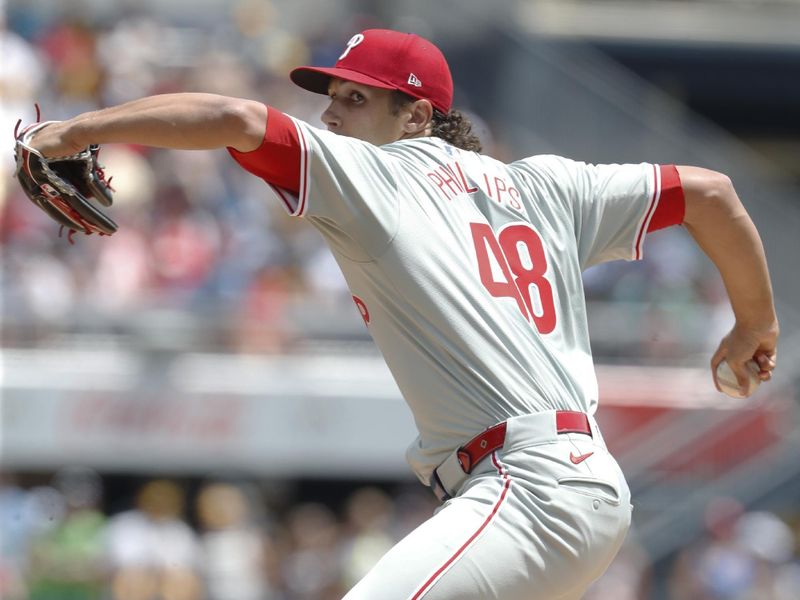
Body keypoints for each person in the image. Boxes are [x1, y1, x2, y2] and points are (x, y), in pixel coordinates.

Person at [27, 28, 779, 600]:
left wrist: (74, 130)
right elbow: (709, 192)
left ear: (416, 114)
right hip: (567, 487)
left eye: (355, 98)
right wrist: (755, 325)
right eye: (332, 97)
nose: (334, 114)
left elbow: (233, 116)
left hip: (530, 488)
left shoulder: (381, 177)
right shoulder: (548, 184)